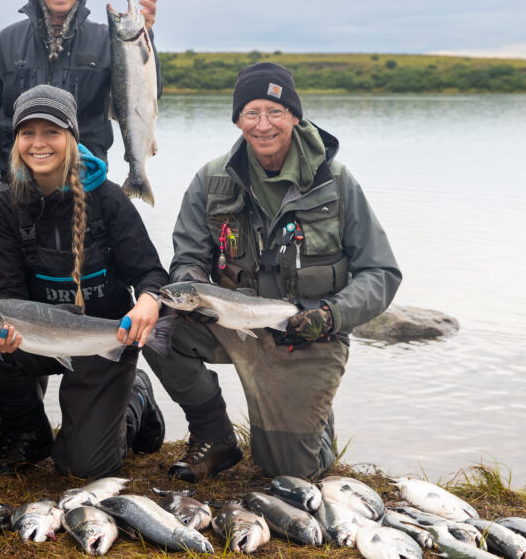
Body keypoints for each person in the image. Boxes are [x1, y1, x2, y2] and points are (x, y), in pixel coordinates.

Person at [144, 62, 402, 482]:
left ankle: (313, 417)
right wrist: (195, 293)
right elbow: (187, 257)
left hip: (306, 334)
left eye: (275, 112)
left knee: (287, 472)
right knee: (155, 328)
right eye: (251, 113)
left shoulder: (335, 183)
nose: (263, 125)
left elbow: (382, 273)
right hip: (229, 322)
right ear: (237, 120)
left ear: (294, 116)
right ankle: (214, 436)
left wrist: (330, 316)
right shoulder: (210, 181)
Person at [0, 85, 167, 478]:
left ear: (72, 137)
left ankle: (135, 397)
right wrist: (6, 335)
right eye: (27, 133)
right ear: (16, 140)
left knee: (83, 467)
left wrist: (149, 301)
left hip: (104, 339)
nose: (39, 143)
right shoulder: (6, 205)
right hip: (39, 337)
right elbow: (9, 292)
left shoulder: (109, 199)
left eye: (52, 132)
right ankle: (29, 431)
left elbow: (150, 273)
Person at [0, 0, 160, 217]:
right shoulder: (7, 41)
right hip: (16, 191)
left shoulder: (108, 39)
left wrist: (145, 38)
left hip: (87, 186)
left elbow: (147, 97)